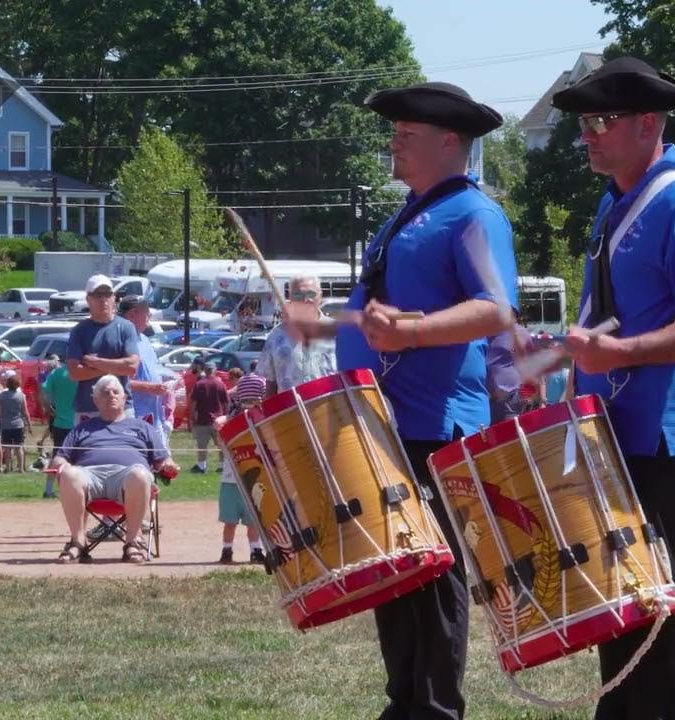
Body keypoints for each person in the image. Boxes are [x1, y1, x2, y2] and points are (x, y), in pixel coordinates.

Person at [289, 80, 516, 719]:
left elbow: (496, 309)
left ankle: (436, 709)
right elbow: (381, 318)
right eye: (394, 132)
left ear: (450, 141)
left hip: (435, 426)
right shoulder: (407, 215)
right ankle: (405, 703)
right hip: (385, 422)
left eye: (406, 133)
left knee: (434, 574)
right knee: (394, 570)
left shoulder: (473, 215)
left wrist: (411, 333)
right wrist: (326, 327)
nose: (393, 142)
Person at [549, 56, 675, 720]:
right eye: (584, 123)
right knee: (617, 597)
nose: (587, 134)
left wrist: (620, 352)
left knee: (659, 602)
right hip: (607, 430)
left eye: (602, 120)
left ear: (648, 123)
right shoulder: (612, 203)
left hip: (656, 436)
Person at [49, 375, 176, 564]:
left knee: (140, 474)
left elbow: (164, 460)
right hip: (90, 476)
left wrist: (168, 466)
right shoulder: (81, 429)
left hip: (128, 477)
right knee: (69, 474)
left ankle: (133, 542)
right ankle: (78, 542)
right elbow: (59, 458)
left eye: (116, 392)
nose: (111, 395)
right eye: (105, 393)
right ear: (96, 400)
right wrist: (61, 465)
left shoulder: (143, 428)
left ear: (124, 398)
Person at [66, 274, 140, 424]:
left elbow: (132, 366)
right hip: (88, 409)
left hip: (121, 409)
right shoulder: (79, 331)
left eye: (107, 294)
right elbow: (74, 372)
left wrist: (96, 362)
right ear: (88, 299)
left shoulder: (126, 327)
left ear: (114, 298)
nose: (103, 299)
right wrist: (117, 366)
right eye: (98, 295)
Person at [213, 366, 267, 564]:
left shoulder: (262, 421)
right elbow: (219, 428)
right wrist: (227, 422)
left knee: (254, 522)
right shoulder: (232, 420)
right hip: (231, 481)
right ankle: (227, 550)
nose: (250, 405)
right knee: (230, 521)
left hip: (254, 480)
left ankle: (256, 550)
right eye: (247, 401)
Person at [259, 276, 336, 395]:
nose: (305, 299)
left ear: (320, 297)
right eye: (298, 295)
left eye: (310, 294)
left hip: (332, 405)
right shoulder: (276, 336)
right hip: (291, 406)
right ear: (290, 298)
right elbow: (270, 383)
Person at [119, 295, 173, 446]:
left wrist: (169, 381)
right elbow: (115, 381)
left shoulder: (145, 339)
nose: (149, 316)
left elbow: (153, 371)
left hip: (155, 417)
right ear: (132, 314)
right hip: (134, 416)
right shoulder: (120, 341)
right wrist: (149, 387)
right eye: (147, 312)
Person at [40, 355, 78, 498]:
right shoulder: (82, 372)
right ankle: (76, 488)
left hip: (60, 423)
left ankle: (49, 489)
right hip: (79, 423)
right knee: (80, 458)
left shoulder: (56, 373)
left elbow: (43, 390)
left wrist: (47, 408)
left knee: (56, 457)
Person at [189, 362, 228, 473]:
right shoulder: (221, 384)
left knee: (202, 445)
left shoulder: (199, 384)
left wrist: (192, 417)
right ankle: (222, 466)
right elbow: (226, 403)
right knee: (221, 445)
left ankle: (201, 466)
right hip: (218, 420)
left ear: (205, 371)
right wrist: (226, 417)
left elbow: (193, 403)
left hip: (203, 419)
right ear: (214, 370)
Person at [0, 373, 31, 473]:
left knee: (7, 448)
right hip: (18, 425)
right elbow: (25, 411)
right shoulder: (21, 396)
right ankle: (20, 468)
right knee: (19, 447)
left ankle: (7, 467)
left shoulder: (2, 396)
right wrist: (29, 424)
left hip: (6, 425)